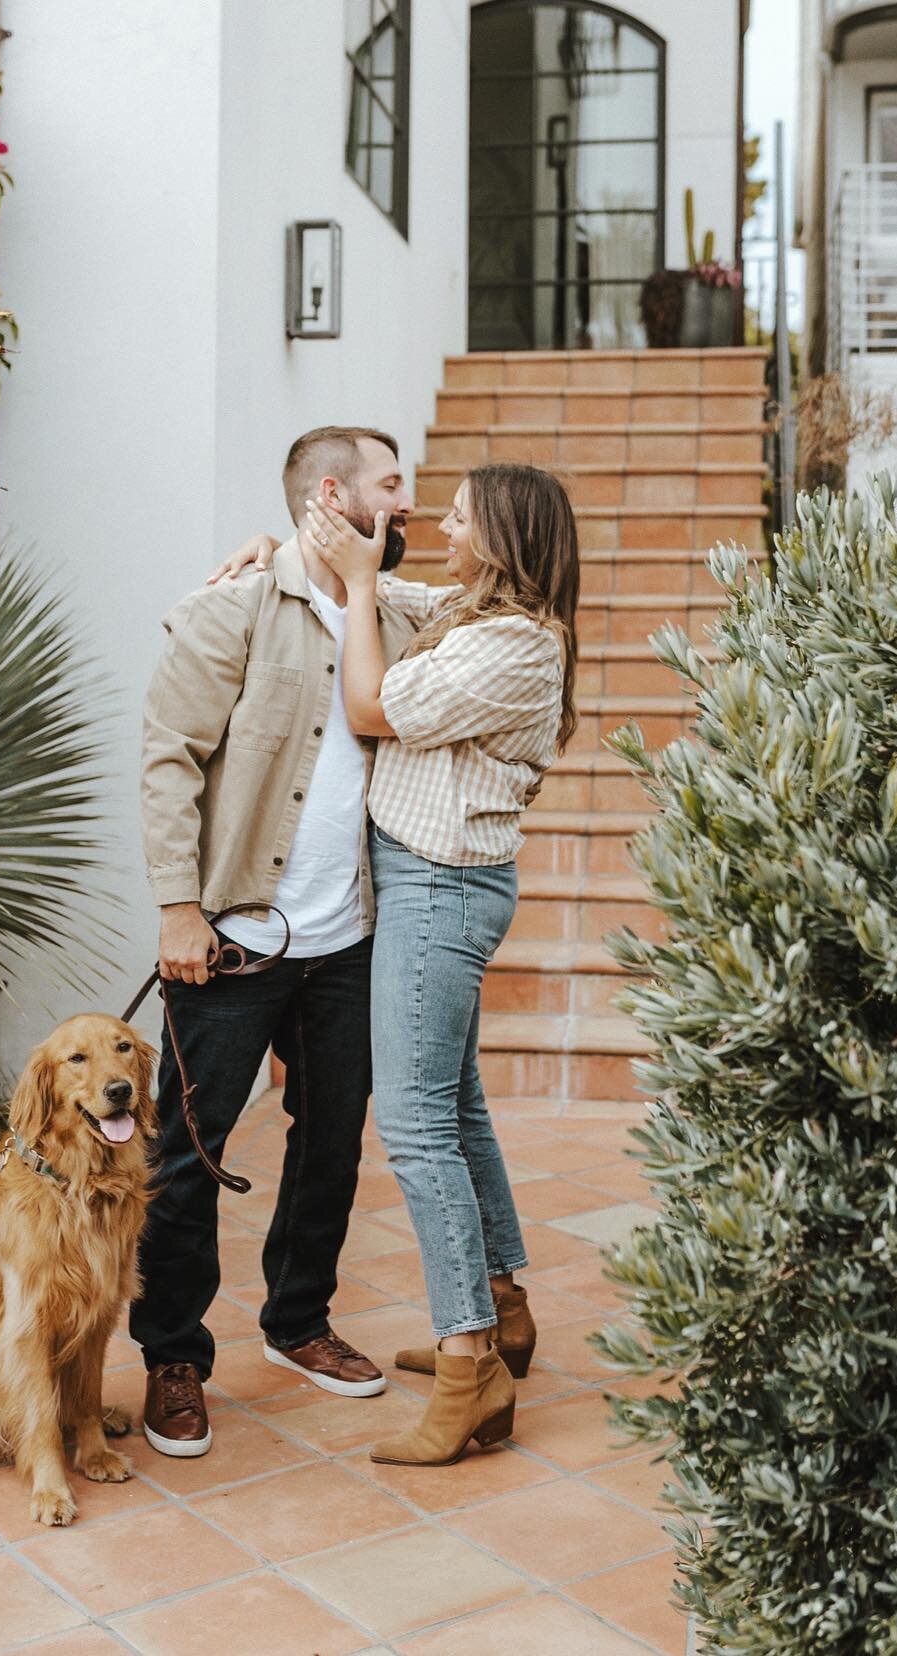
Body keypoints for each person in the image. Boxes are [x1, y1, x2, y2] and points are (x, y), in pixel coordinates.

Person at [134, 425, 426, 1458]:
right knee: (191, 1152)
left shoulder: (387, 611)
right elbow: (169, 758)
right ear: (337, 493)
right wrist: (179, 908)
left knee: (333, 1138)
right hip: (234, 936)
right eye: (395, 486)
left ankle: (300, 1322)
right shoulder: (239, 609)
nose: (408, 503)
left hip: (348, 937)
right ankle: (172, 1353)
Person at [301, 462, 579, 1466]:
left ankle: (469, 1369)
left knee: (415, 1128)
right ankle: (500, 1309)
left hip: (437, 887)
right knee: (453, 1106)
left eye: (460, 517)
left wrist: (362, 586)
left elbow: (373, 705)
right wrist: (300, 556)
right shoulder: (473, 614)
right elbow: (383, 590)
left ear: (503, 538)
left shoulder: (515, 644)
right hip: (435, 883)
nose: (443, 527)